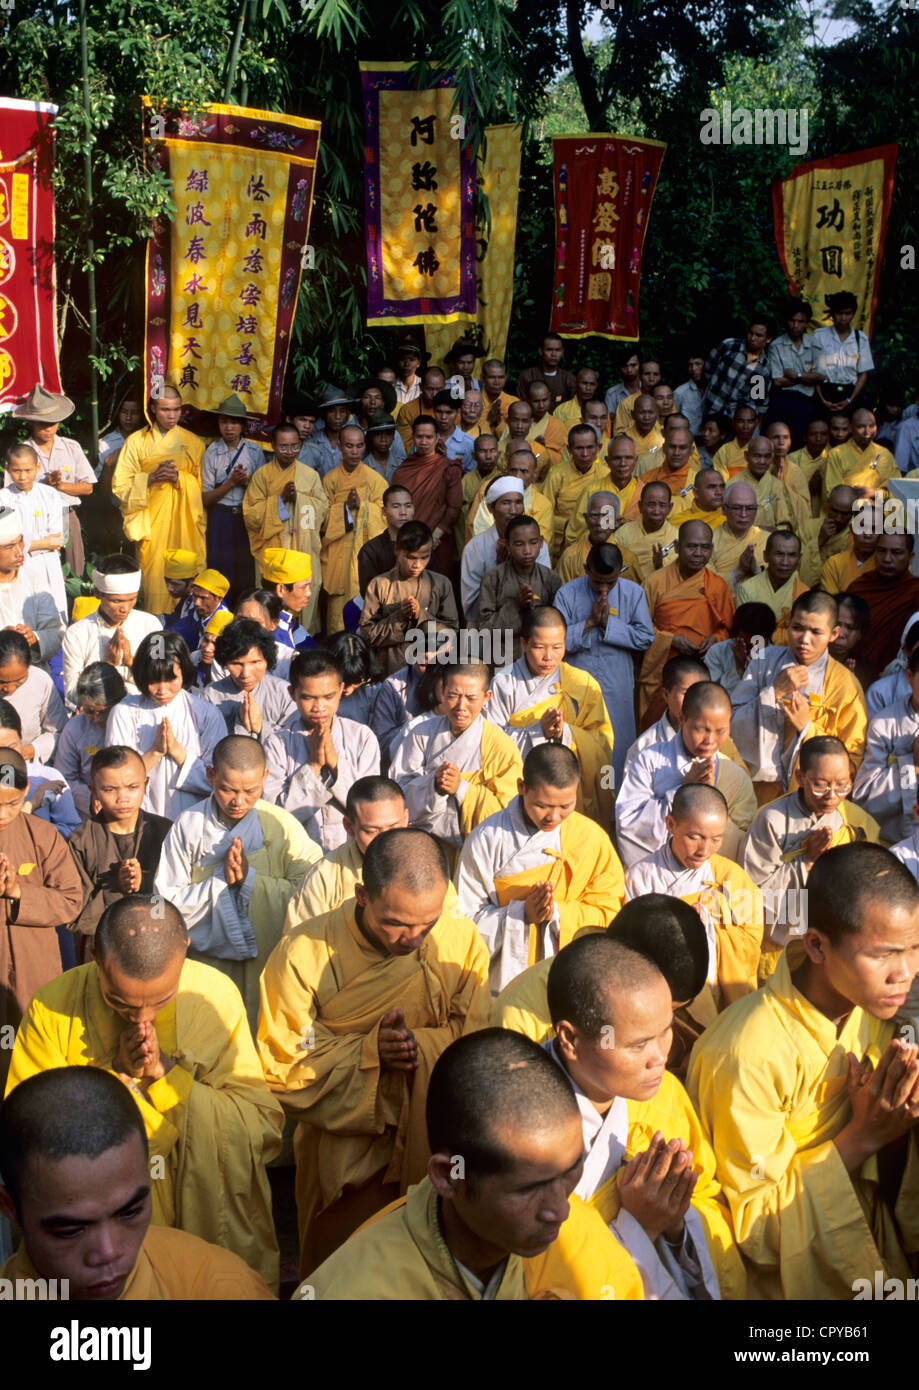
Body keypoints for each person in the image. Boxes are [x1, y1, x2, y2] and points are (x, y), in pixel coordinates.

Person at [7, 894, 284, 1288]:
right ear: (94, 957)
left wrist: (165, 1077)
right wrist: (117, 1077)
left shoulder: (214, 997)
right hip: (103, 1243)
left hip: (206, 1224)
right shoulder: (53, 1007)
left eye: (161, 1001)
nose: (142, 1020)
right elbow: (29, 1141)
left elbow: (261, 1128)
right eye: (119, 1002)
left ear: (184, 954)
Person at [688, 841, 919, 1299]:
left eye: (914, 949)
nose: (905, 973)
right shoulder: (745, 1054)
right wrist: (863, 1137)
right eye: (883, 955)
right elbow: (756, 1227)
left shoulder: (871, 1009)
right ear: (816, 945)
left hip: (873, 1244)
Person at [257, 828, 490, 1274]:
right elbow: (283, 1061)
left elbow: (475, 1046)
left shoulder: (461, 944)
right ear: (362, 895)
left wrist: (419, 1046)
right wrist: (370, 1054)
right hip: (343, 1150)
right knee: (344, 1270)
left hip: (433, 1144)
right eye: (397, 923)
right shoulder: (302, 953)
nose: (414, 938)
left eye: (428, 923)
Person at [303, 1027, 642, 1301]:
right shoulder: (357, 1287)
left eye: (570, 1170)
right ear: (451, 1175)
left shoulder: (580, 1240)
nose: (560, 1211)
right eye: (529, 1189)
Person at [544, 932, 745, 1300]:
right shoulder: (524, 1125)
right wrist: (638, 1226)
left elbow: (707, 1200)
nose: (660, 1057)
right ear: (571, 1040)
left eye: (666, 1031)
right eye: (638, 1045)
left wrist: (674, 1223)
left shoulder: (664, 1094)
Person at [0, 1067, 276, 1301]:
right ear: (9, 1207)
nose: (108, 1253)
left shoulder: (219, 1286)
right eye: (71, 1231)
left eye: (130, 1212)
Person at [154, 734, 320, 1031]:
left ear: (265, 777)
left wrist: (249, 880)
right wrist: (220, 885)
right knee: (209, 1034)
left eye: (250, 791)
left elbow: (310, 893)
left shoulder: (282, 825)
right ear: (210, 775)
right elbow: (164, 903)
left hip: (267, 961)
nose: (238, 801)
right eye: (227, 789)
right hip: (208, 963)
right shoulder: (188, 825)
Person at [455, 742, 625, 995]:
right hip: (501, 983)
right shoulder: (486, 839)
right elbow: (463, 925)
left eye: (565, 807)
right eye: (543, 806)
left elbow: (611, 912)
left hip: (570, 978)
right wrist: (521, 913)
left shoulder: (591, 838)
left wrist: (556, 913)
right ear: (522, 787)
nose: (553, 818)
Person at [625, 783, 763, 999]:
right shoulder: (640, 876)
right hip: (659, 995)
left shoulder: (732, 877)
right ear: (670, 824)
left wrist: (708, 930)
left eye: (716, 839)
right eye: (694, 837)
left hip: (719, 998)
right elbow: (628, 946)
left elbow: (751, 945)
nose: (704, 850)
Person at [731, 589, 867, 804]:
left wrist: (806, 728)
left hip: (808, 797)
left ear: (834, 633)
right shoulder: (763, 660)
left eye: (816, 632)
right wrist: (773, 692)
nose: (805, 639)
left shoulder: (845, 685)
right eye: (797, 628)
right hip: (753, 790)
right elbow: (731, 723)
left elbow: (852, 758)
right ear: (787, 626)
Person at [743, 735, 880, 949]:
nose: (832, 796)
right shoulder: (771, 819)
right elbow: (750, 893)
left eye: (843, 786)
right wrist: (806, 861)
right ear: (799, 776)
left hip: (830, 939)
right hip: (776, 946)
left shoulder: (855, 822)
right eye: (820, 785)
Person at [487, 606, 615, 829]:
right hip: (520, 787)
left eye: (557, 647)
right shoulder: (503, 683)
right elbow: (490, 744)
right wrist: (537, 731)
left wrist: (566, 732)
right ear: (523, 643)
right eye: (538, 647)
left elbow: (602, 742)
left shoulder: (582, 683)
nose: (548, 657)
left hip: (568, 791)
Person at [0, 748, 83, 1080]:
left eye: (10, 804)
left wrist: (18, 891)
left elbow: (71, 900)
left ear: (24, 793)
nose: (2, 813)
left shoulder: (43, 836)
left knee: (33, 1057)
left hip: (33, 967)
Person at [617, 681, 756, 868]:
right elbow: (627, 823)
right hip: (656, 875)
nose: (710, 740)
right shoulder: (649, 761)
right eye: (701, 729)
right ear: (682, 719)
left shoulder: (735, 776)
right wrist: (681, 791)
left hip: (709, 881)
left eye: (720, 731)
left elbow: (744, 841)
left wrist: (708, 808)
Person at [390, 662, 522, 855]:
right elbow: (396, 793)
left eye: (471, 698)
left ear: (487, 697)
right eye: (453, 695)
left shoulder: (501, 747)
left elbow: (510, 811)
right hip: (419, 845)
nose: (461, 706)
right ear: (442, 692)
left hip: (473, 850)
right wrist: (433, 784)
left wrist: (462, 788)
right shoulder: (420, 734)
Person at [555, 542, 653, 789]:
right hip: (577, 682)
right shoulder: (567, 594)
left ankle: (613, 811)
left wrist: (609, 625)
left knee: (616, 745)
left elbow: (645, 637)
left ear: (621, 571)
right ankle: (577, 806)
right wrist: (589, 623)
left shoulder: (633, 593)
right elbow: (555, 642)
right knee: (579, 743)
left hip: (617, 682)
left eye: (610, 582)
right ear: (586, 569)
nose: (604, 589)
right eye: (597, 581)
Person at [263, 648, 381, 850]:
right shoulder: (277, 744)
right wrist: (313, 766)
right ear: (293, 694)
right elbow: (274, 816)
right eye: (308, 698)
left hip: (351, 852)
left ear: (341, 689)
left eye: (328, 697)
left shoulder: (362, 737)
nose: (319, 707)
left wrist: (335, 763)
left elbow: (371, 808)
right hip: (296, 856)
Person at [104, 629, 226, 818]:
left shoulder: (206, 714)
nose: (162, 690)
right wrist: (155, 752)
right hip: (140, 819)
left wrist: (178, 752)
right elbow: (115, 777)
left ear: (184, 672)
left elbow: (219, 781)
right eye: (153, 681)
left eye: (171, 679)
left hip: (192, 819)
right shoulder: (124, 712)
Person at [111, 384, 205, 615]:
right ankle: (155, 628)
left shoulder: (193, 443)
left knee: (188, 578)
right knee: (155, 582)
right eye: (165, 410)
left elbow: (204, 489)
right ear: (152, 409)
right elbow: (119, 487)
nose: (172, 415)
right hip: (151, 525)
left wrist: (180, 479)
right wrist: (150, 479)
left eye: (176, 409)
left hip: (185, 526)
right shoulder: (136, 442)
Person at [66, 744, 171, 950]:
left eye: (132, 788)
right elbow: (74, 914)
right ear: (93, 791)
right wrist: (116, 887)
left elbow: (176, 897)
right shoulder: (81, 840)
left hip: (157, 943)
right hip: (103, 948)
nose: (122, 798)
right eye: (109, 789)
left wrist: (146, 885)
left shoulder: (165, 832)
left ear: (145, 783)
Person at [638, 521, 734, 721]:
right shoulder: (654, 582)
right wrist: (670, 640)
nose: (699, 553)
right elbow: (640, 629)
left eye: (705, 547)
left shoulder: (717, 586)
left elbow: (730, 630)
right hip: (662, 672)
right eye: (692, 546)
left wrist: (716, 639)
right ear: (676, 547)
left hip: (704, 670)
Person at [283, 776, 409, 927]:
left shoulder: (424, 864)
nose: (384, 841)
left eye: (394, 827)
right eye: (371, 831)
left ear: (405, 818)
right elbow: (300, 943)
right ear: (349, 826)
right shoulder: (324, 877)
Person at [242, 421, 328, 635]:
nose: (289, 452)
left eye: (294, 446)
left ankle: (302, 640)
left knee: (304, 598)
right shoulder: (262, 476)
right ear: (273, 446)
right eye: (283, 447)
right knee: (272, 599)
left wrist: (300, 500)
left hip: (303, 547)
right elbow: (250, 515)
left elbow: (323, 509)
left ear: (300, 445)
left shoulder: (311, 475)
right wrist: (279, 500)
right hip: (274, 551)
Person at [11, 384, 96, 579]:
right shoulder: (21, 452)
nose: (48, 429)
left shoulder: (70, 447)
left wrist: (61, 486)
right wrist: (42, 486)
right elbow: (10, 497)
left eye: (53, 422)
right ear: (31, 423)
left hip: (66, 514)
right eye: (42, 423)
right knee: (34, 569)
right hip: (33, 517)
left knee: (73, 570)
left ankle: (72, 607)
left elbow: (88, 487)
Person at [360, 520, 458, 674]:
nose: (417, 565)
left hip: (431, 672)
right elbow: (367, 635)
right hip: (389, 672)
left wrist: (421, 615)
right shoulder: (380, 584)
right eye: (411, 557)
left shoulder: (441, 584)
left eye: (424, 557)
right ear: (397, 550)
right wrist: (399, 617)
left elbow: (452, 634)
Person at [62, 553, 161, 703]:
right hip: (98, 717)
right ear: (97, 593)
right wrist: (107, 667)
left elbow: (161, 680)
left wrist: (132, 663)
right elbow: (72, 693)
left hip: (144, 710)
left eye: (132, 599)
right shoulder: (76, 634)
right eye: (117, 601)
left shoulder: (152, 626)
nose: (125, 608)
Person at [320, 423, 387, 631]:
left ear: (365, 446)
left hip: (365, 551)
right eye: (349, 446)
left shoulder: (374, 479)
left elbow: (385, 514)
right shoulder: (330, 479)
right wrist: (345, 509)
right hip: (338, 551)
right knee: (338, 611)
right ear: (339, 446)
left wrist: (364, 507)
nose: (354, 451)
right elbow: (322, 520)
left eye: (359, 446)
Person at [200, 393, 265, 601]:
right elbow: (206, 498)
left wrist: (247, 482)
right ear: (218, 424)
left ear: (243, 425)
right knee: (220, 569)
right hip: (220, 518)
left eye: (235, 422)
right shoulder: (211, 453)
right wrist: (230, 483)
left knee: (245, 571)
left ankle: (245, 616)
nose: (229, 427)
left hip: (246, 517)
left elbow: (263, 493)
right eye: (224, 422)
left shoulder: (254, 452)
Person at [852, 646, 919, 844]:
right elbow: (865, 798)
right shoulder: (884, 725)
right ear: (909, 676)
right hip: (893, 843)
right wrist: (910, 765)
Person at [460, 476, 550, 622]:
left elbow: (544, 591)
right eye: (506, 503)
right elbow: (471, 608)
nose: (514, 510)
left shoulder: (538, 544)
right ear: (490, 508)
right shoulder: (475, 548)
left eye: (518, 502)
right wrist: (500, 573)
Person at [200, 615, 295, 743]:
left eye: (255, 662)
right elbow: (206, 742)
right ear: (225, 663)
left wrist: (261, 727)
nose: (245, 673)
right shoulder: (211, 696)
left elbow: (295, 743)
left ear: (267, 660)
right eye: (236, 664)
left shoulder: (285, 693)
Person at [478, 515, 561, 659]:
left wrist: (535, 612)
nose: (527, 550)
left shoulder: (551, 579)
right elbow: (485, 629)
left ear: (541, 542)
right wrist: (516, 607)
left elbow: (557, 625)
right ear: (507, 545)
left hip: (541, 657)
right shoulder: (493, 578)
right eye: (519, 544)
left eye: (533, 542)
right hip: (503, 657)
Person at [0, 442, 67, 621]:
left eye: (28, 470)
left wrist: (24, 544)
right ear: (7, 469)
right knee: (23, 613)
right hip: (18, 565)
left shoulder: (50, 495)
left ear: (38, 467)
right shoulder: (3, 498)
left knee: (54, 614)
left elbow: (58, 540)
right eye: (16, 471)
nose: (22, 476)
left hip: (48, 565)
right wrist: (43, 543)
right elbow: (4, 541)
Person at [391, 415, 463, 578]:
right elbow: (395, 505)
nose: (424, 442)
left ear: (437, 438)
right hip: (408, 541)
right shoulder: (404, 469)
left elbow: (454, 507)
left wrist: (436, 535)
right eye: (419, 436)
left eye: (429, 437)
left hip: (439, 540)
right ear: (413, 437)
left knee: (438, 586)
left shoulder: (448, 468)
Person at [53, 662, 126, 818]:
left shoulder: (133, 719)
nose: (97, 718)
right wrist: (92, 795)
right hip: (90, 809)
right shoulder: (75, 729)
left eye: (102, 711)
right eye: (89, 711)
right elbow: (63, 778)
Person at [0, 506, 64, 665]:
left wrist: (35, 638)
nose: (19, 552)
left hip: (34, 674)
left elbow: (56, 632)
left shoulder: (33, 577)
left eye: (20, 541)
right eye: (9, 546)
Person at [541, 424, 614, 561]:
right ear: (569, 449)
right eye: (579, 448)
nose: (585, 454)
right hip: (561, 543)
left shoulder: (605, 475)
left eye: (589, 447)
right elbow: (545, 511)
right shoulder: (556, 475)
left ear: (598, 448)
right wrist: (567, 524)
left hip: (597, 541)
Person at [764, 298, 825, 445]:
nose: (795, 325)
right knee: (777, 441)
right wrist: (808, 378)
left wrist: (795, 375)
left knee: (800, 442)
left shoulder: (815, 345)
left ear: (806, 323)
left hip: (806, 401)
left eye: (800, 321)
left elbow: (821, 376)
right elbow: (777, 381)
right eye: (792, 320)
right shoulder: (776, 345)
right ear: (786, 321)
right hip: (782, 399)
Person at [0, 629, 65, 763]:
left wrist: (29, 750)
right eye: (2, 682)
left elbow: (59, 732)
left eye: (19, 681)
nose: (10, 689)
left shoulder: (40, 681)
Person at [735, 529, 809, 642]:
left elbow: (804, 635)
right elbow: (746, 634)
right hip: (756, 653)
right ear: (766, 556)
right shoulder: (748, 589)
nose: (785, 562)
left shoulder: (804, 593)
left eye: (792, 555)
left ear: (799, 559)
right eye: (779, 554)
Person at [811, 289, 874, 417]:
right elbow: (812, 369)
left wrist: (850, 399)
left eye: (847, 313)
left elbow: (863, 373)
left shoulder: (860, 338)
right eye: (839, 313)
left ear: (853, 314)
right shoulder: (819, 336)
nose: (843, 318)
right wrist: (822, 399)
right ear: (833, 314)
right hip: (824, 391)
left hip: (849, 393)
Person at [701, 316, 773, 421]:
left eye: (759, 336)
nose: (753, 338)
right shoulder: (729, 346)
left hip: (733, 420)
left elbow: (756, 401)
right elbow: (708, 367)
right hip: (710, 409)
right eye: (751, 333)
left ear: (768, 339)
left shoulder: (763, 368)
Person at [557, 489, 634, 585]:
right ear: (586, 518)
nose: (599, 522)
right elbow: (564, 594)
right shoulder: (570, 556)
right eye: (595, 515)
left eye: (606, 516)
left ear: (617, 522)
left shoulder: (628, 558)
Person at [703, 601, 776, 696]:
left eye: (755, 644)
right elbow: (711, 693)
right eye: (744, 642)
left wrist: (749, 667)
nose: (747, 649)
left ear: (766, 638)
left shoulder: (776, 658)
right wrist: (738, 668)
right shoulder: (717, 651)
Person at [706, 481, 769, 592]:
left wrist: (756, 572)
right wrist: (740, 571)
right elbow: (705, 585)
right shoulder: (708, 542)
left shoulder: (768, 540)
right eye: (737, 508)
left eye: (749, 508)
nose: (743, 515)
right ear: (724, 509)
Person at [614, 480, 678, 584]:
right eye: (651, 505)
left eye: (662, 505)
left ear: (669, 508)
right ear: (640, 506)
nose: (656, 511)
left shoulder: (675, 537)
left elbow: (676, 578)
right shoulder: (624, 533)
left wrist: (660, 566)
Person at [824, 407, 897, 497]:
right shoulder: (836, 454)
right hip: (847, 508)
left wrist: (875, 493)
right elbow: (832, 492)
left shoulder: (885, 454)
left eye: (872, 426)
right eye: (861, 427)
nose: (867, 432)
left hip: (877, 509)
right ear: (850, 428)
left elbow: (897, 490)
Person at [357, 484, 414, 595]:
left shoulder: (422, 545)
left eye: (408, 506)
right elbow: (367, 592)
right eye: (396, 506)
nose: (403, 512)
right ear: (384, 511)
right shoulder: (371, 550)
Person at [259, 547, 315, 653]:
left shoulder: (285, 620)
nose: (309, 593)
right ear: (281, 589)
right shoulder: (275, 633)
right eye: (304, 587)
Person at [516, 333, 576, 410]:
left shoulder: (568, 378)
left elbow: (571, 407)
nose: (553, 354)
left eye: (557, 350)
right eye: (549, 349)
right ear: (541, 351)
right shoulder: (527, 376)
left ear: (562, 352)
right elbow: (521, 405)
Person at [157, 546, 199, 647]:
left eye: (175, 584)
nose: (169, 588)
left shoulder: (199, 603)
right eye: (166, 582)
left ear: (193, 580)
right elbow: (177, 617)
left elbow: (184, 629)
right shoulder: (185, 598)